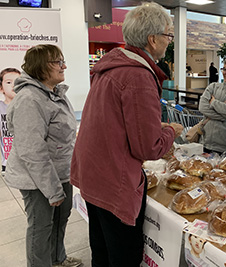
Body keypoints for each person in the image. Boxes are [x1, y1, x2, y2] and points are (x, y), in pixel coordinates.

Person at [70, 3, 183, 267]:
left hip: (93, 174)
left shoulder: (110, 67)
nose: (169, 41)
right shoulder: (138, 76)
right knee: (124, 256)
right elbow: (148, 148)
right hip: (114, 182)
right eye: (168, 35)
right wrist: (170, 131)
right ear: (152, 39)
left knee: (101, 250)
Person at [4, 44, 81, 267]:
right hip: (37, 179)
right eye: (58, 62)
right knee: (41, 226)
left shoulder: (54, 93)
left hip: (60, 172)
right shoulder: (29, 99)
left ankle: (57, 259)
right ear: (41, 66)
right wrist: (52, 190)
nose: (63, 66)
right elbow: (32, 152)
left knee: (60, 219)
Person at [0, 67, 20, 171]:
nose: (14, 85)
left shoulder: (27, 106)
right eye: (8, 82)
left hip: (26, 161)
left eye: (17, 81)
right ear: (1, 88)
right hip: (8, 162)